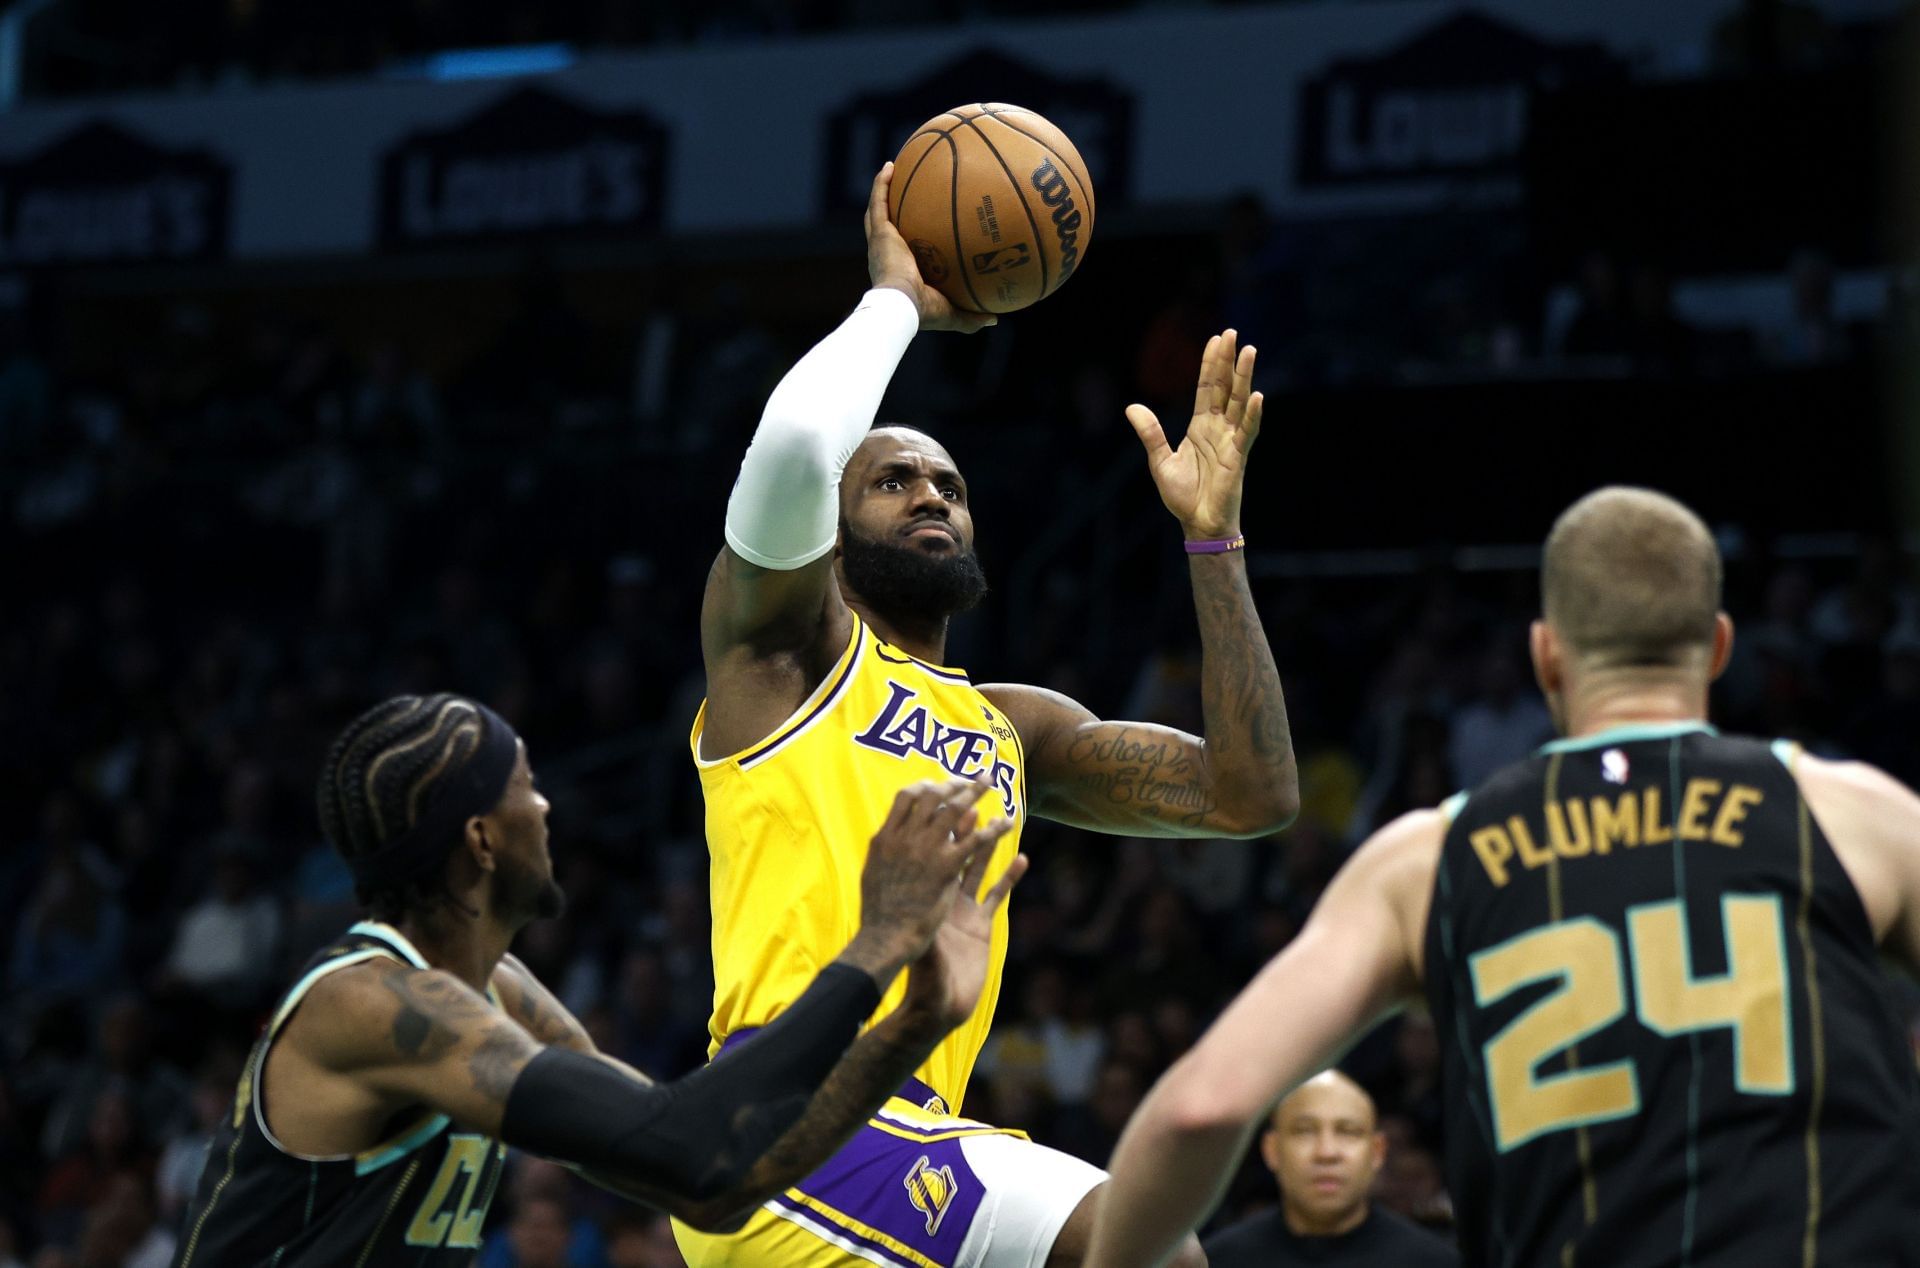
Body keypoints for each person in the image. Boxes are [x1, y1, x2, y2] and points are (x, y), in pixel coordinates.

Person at [678, 162, 1300, 1267]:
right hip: (788, 1110)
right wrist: (897, 306)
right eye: (894, 479)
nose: (931, 494)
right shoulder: (779, 654)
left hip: (908, 1124)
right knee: (1148, 1241)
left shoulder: (1013, 726)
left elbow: (1251, 795)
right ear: (826, 525)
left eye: (951, 487)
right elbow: (788, 453)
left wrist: (1214, 541)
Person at [1087, 487, 1920, 1266]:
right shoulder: (1853, 815)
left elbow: (1205, 1108)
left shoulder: (1426, 858)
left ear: (1546, 654)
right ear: (1720, 648)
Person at [171, 692, 1023, 1266]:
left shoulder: (493, 991)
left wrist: (916, 1023)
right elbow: (690, 1153)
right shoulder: (369, 1004)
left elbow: (715, 1178)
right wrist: (874, 946)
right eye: (525, 787)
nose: (545, 808)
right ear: (480, 841)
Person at [1202, 1071, 1456, 1267]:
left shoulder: (1435, 1262)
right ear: (1272, 1150)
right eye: (1304, 1131)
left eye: (1348, 1132)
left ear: (1377, 1152)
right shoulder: (1216, 1261)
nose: (1327, 1153)